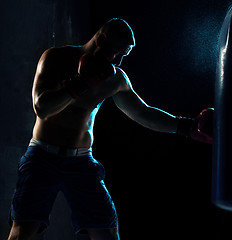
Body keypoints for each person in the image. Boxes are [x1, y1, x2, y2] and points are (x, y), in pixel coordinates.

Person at [7, 18, 213, 240]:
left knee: (107, 232)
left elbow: (142, 113)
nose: (120, 60)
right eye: (118, 52)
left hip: (81, 161)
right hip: (42, 156)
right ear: (101, 39)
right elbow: (42, 107)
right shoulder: (56, 58)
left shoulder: (114, 78)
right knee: (22, 232)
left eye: (125, 55)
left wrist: (186, 126)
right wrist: (80, 83)